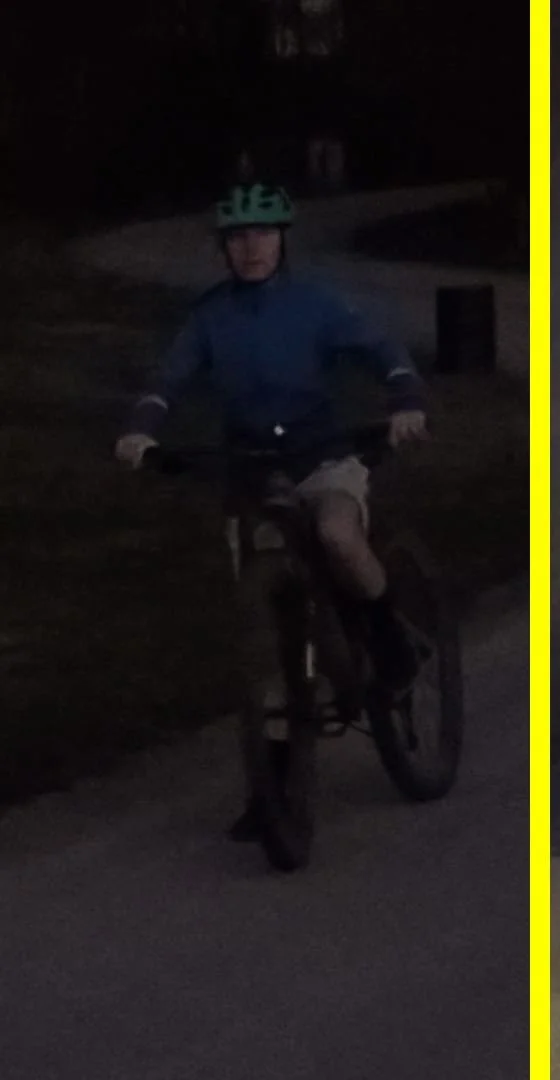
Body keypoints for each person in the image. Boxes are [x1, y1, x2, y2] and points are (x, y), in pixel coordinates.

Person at [114, 181, 428, 840]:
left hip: (323, 458)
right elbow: (167, 381)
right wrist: (143, 429)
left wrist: (403, 398)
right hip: (252, 473)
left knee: (339, 535)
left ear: (283, 240)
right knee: (266, 639)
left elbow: (380, 350)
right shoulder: (210, 318)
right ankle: (274, 787)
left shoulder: (315, 304)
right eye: (237, 238)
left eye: (262, 235)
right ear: (224, 249)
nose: (250, 248)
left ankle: (393, 643)